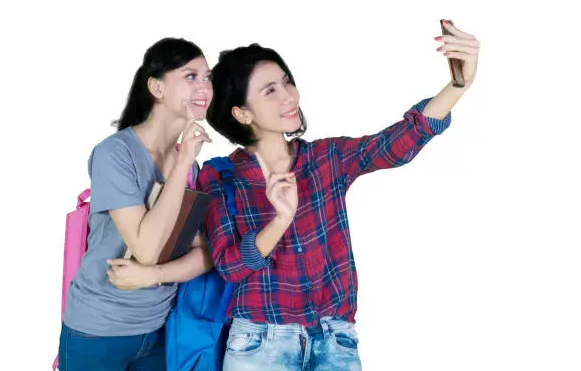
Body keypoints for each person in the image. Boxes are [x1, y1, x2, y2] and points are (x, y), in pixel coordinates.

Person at [196, 20, 480, 370]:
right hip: (260, 343)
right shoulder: (221, 176)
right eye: (270, 90)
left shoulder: (325, 159)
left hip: (334, 339)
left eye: (287, 81)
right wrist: (280, 220)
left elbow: (394, 144)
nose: (288, 96)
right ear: (241, 112)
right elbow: (229, 266)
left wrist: (457, 85)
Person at [58, 37, 214, 371]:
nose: (204, 87)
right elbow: (145, 247)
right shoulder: (115, 154)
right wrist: (184, 160)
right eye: (191, 76)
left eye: (207, 77)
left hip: (159, 329)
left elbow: (205, 254)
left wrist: (153, 276)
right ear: (157, 88)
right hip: (97, 331)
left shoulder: (191, 166)